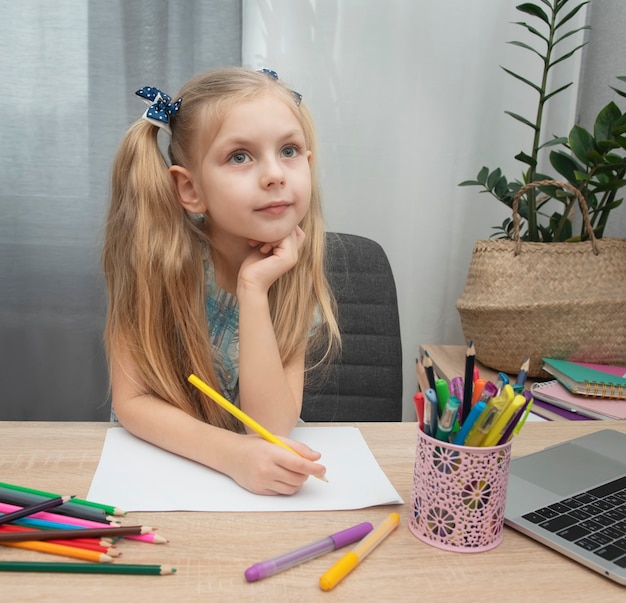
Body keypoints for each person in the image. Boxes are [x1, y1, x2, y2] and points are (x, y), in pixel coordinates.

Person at [102, 67, 340, 495]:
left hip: (260, 482)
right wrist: (232, 455)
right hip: (160, 474)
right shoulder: (156, 266)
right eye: (240, 157)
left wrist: (254, 290)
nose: (274, 174)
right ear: (190, 189)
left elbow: (270, 428)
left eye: (289, 150)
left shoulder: (294, 275)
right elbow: (131, 401)